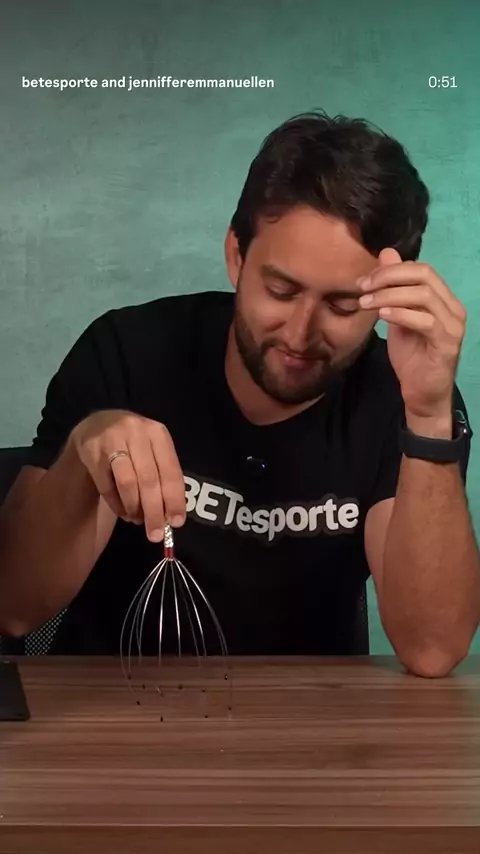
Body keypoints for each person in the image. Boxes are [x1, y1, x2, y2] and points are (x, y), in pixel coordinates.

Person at [0, 110, 479, 676]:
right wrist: (84, 456)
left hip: (308, 716)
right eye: (281, 290)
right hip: (112, 708)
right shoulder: (126, 353)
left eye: (342, 305)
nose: (299, 334)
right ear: (236, 256)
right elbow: (14, 608)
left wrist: (428, 414)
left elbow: (432, 650)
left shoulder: (401, 393)